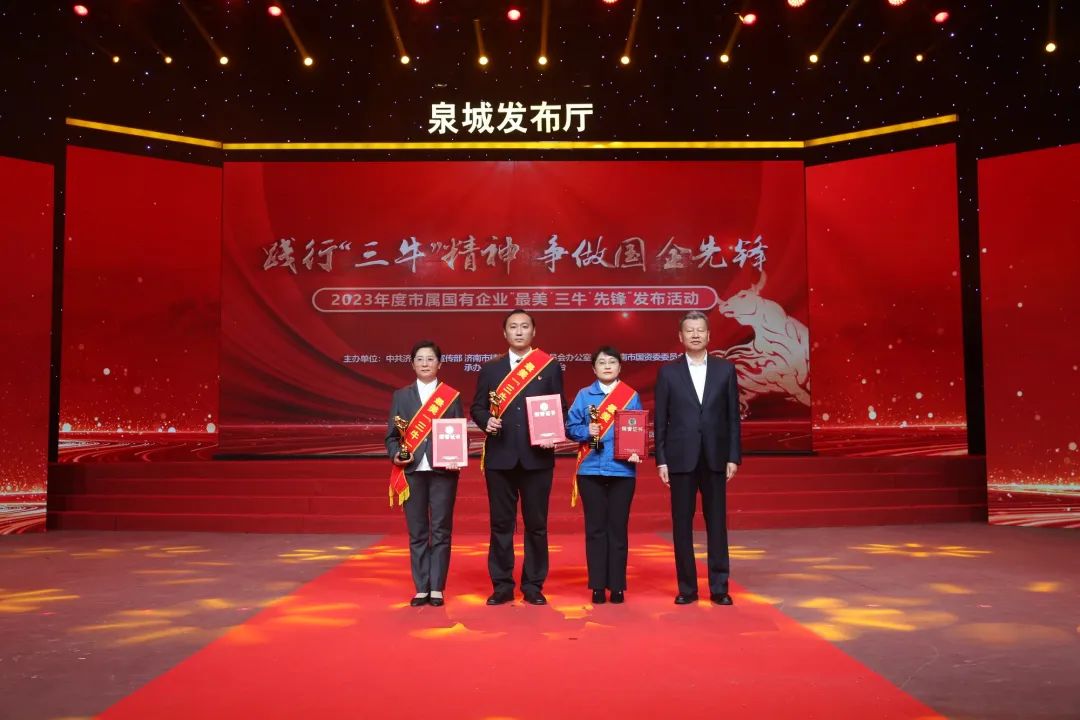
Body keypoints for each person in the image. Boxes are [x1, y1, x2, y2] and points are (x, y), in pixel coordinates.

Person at [470, 309, 564, 606]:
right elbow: (477, 407)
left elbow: (559, 406)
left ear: (533, 332)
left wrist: (553, 431)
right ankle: (502, 585)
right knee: (501, 524)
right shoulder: (491, 369)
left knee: (536, 525)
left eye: (525, 326)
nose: (519, 331)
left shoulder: (549, 367)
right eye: (513, 327)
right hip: (501, 457)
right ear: (505, 333)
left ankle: (533, 585)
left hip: (537, 458)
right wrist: (486, 421)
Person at [654, 310, 742, 606]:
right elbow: (661, 420)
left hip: (716, 456)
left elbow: (733, 417)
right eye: (689, 330)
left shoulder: (725, 370)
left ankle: (719, 587)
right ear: (680, 336)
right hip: (680, 458)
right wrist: (661, 459)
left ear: (708, 335)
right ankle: (687, 588)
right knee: (682, 524)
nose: (695, 334)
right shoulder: (668, 372)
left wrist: (733, 456)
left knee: (717, 523)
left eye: (700, 330)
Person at [385, 340, 463, 607]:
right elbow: (392, 436)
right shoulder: (401, 396)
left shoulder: (451, 396)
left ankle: (437, 587)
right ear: (412, 364)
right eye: (420, 359)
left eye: (430, 359)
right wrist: (395, 453)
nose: (425, 363)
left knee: (441, 530)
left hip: (443, 472)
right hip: (412, 472)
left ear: (439, 364)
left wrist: (457, 456)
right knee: (417, 531)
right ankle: (421, 587)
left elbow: (458, 432)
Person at [565, 346, 643, 605]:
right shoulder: (584, 395)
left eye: (612, 362)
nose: (607, 366)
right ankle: (598, 586)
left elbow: (637, 427)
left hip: (622, 471)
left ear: (620, 366)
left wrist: (636, 450)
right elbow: (570, 427)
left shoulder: (630, 395)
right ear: (593, 368)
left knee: (618, 529)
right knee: (595, 530)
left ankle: (617, 586)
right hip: (590, 470)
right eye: (601, 362)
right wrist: (586, 431)